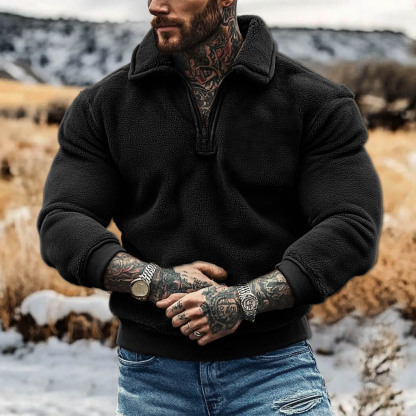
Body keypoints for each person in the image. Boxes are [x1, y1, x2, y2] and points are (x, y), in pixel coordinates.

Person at [37, 0, 383, 414]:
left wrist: (245, 301)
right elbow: (62, 220)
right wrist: (156, 281)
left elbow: (351, 225)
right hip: (153, 379)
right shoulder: (103, 106)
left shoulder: (316, 102)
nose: (155, 5)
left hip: (273, 372)